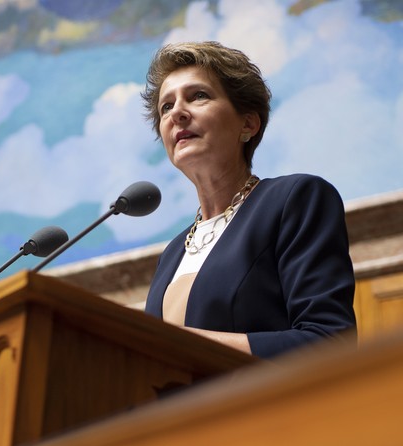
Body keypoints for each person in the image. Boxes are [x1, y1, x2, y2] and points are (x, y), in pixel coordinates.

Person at [141, 41, 357, 359]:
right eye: (166, 107)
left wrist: (183, 345)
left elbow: (329, 342)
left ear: (248, 123)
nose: (178, 114)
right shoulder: (173, 252)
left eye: (198, 96)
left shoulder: (293, 201)